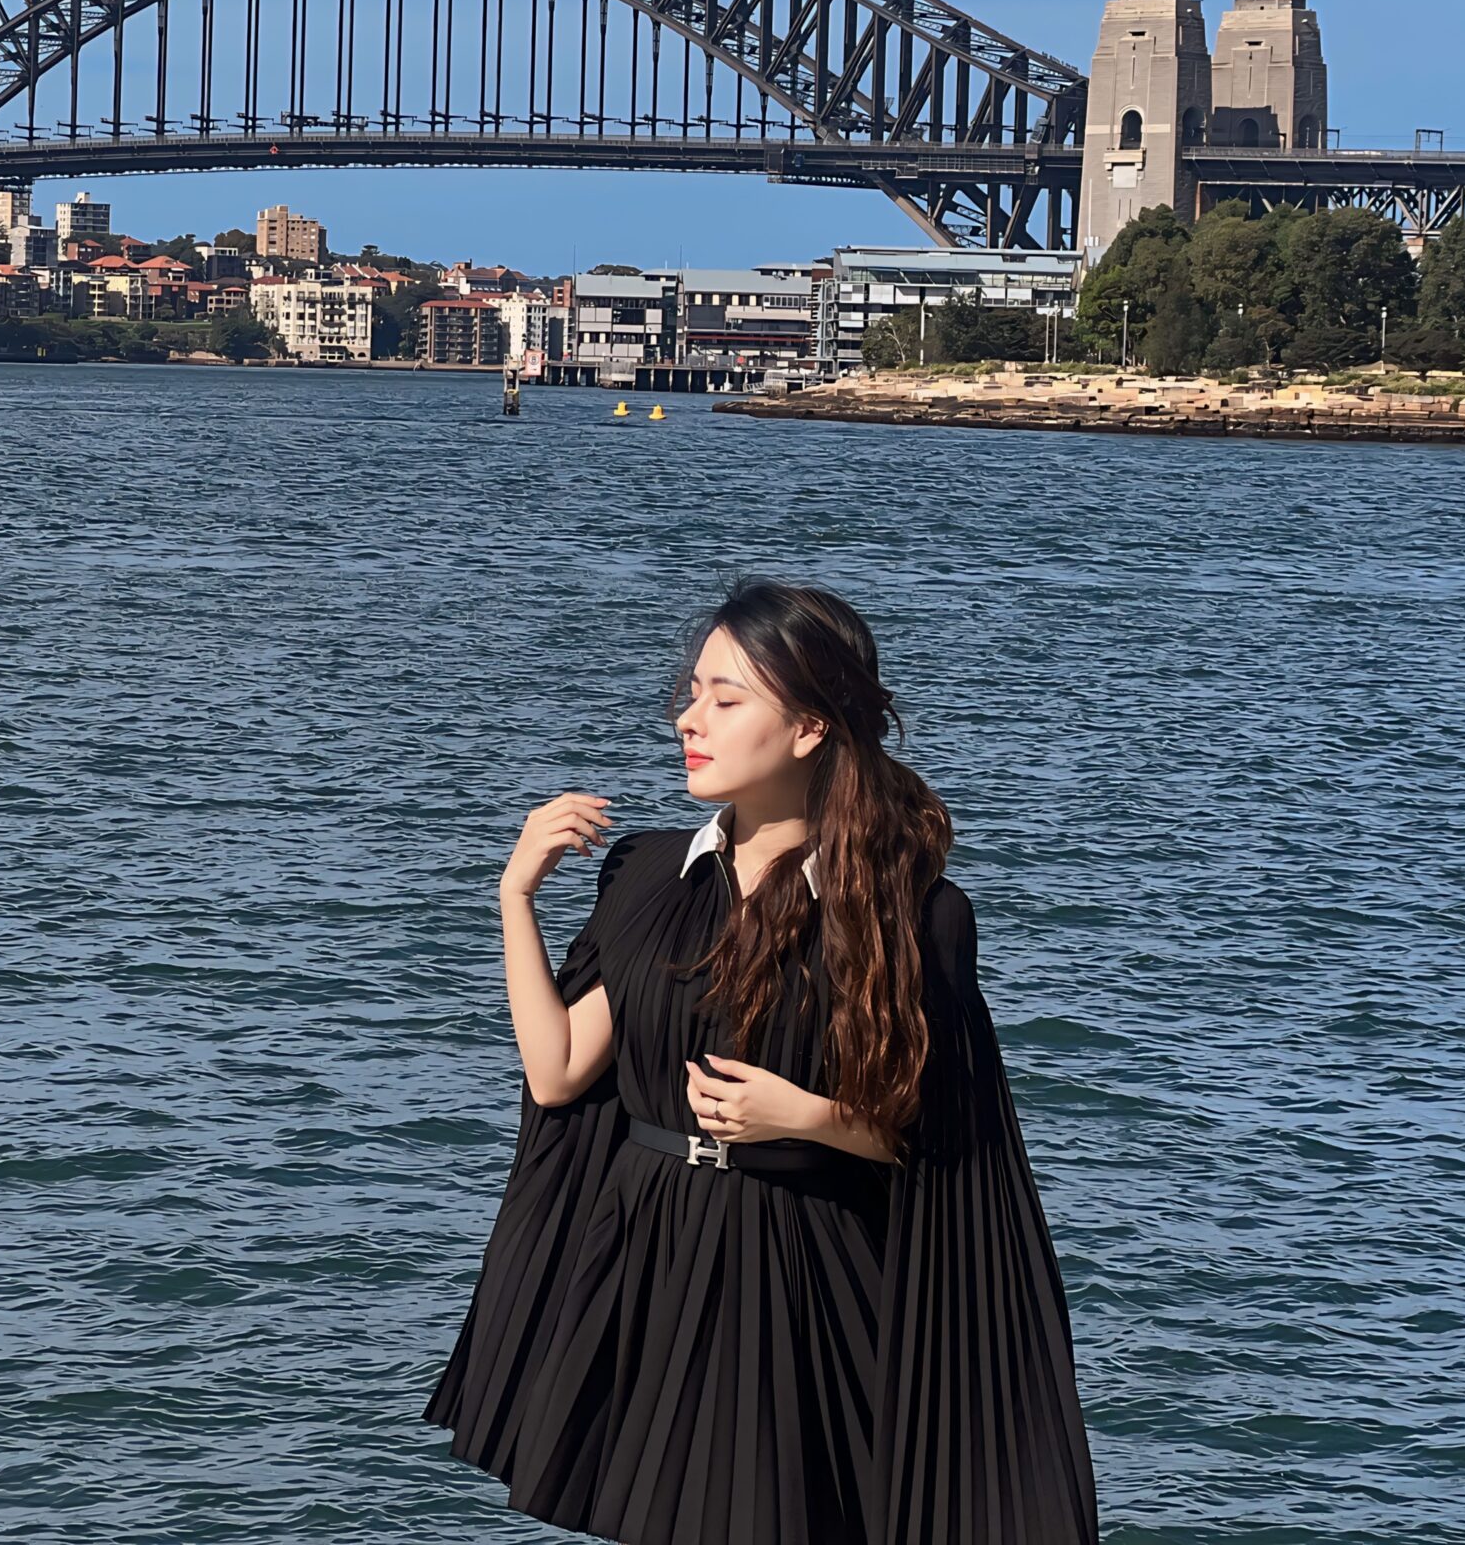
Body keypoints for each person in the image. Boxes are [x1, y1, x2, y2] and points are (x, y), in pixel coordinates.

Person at [424, 580, 1098, 1544]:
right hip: (648, 1246)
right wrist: (514, 899)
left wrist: (807, 1115)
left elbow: (950, 1136)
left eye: (725, 699)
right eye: (692, 692)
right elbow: (560, 1071)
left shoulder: (913, 913)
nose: (689, 720)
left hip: (798, 1269)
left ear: (811, 727)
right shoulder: (651, 873)